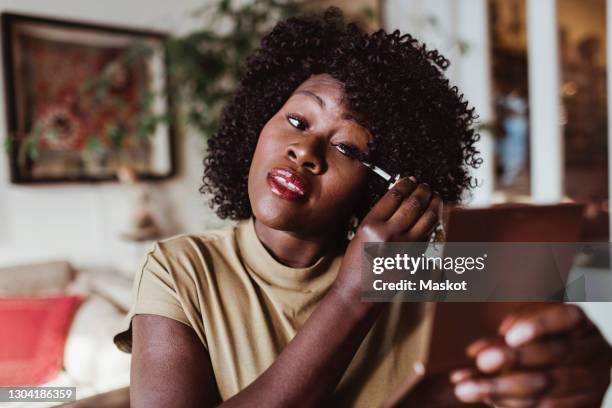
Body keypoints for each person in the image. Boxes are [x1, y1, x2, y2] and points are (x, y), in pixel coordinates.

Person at [114, 8, 612, 407]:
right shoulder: (180, 271)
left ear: (387, 187)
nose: (304, 152)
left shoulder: (425, 271)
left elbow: (595, 274)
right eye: (296, 119)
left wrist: (586, 363)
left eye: (347, 149)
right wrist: (355, 295)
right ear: (256, 123)